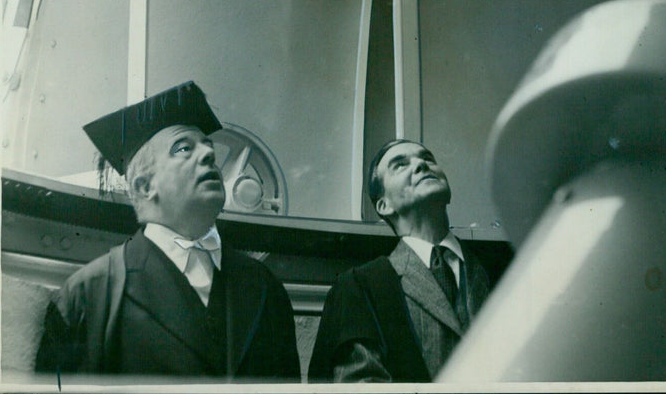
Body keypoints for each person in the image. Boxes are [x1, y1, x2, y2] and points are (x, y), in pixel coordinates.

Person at [35, 81, 300, 381]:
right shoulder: (89, 296)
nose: (208, 154)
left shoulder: (265, 288)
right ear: (145, 187)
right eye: (184, 148)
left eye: (208, 147)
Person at [308, 139, 490, 382]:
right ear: (384, 205)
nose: (421, 165)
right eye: (400, 165)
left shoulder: (504, 269)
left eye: (427, 158)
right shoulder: (358, 287)